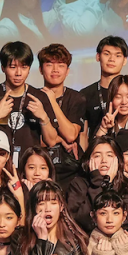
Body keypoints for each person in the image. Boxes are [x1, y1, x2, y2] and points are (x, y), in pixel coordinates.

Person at [0, 41, 62, 167]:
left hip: (30, 167)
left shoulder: (39, 97)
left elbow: (51, 141)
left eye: (24, 67)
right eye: (13, 67)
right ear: (3, 68)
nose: (18, 73)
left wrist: (43, 117)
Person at [78, 36, 128, 144]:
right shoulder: (85, 94)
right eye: (107, 54)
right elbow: (83, 136)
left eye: (118, 55)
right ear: (98, 56)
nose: (112, 59)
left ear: (124, 60)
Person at [36, 43, 86, 187]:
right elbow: (30, 139)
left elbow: (71, 135)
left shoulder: (77, 98)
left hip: (70, 170)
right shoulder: (32, 98)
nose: (55, 70)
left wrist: (52, 100)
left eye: (61, 65)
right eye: (50, 64)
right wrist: (59, 139)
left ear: (68, 71)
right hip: (39, 169)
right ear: (41, 69)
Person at [67, 136, 128, 233]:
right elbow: (83, 219)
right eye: (97, 156)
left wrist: (108, 184)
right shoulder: (78, 184)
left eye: (109, 155)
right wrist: (98, 184)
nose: (104, 161)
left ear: (118, 160)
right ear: (88, 160)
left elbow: (126, 218)